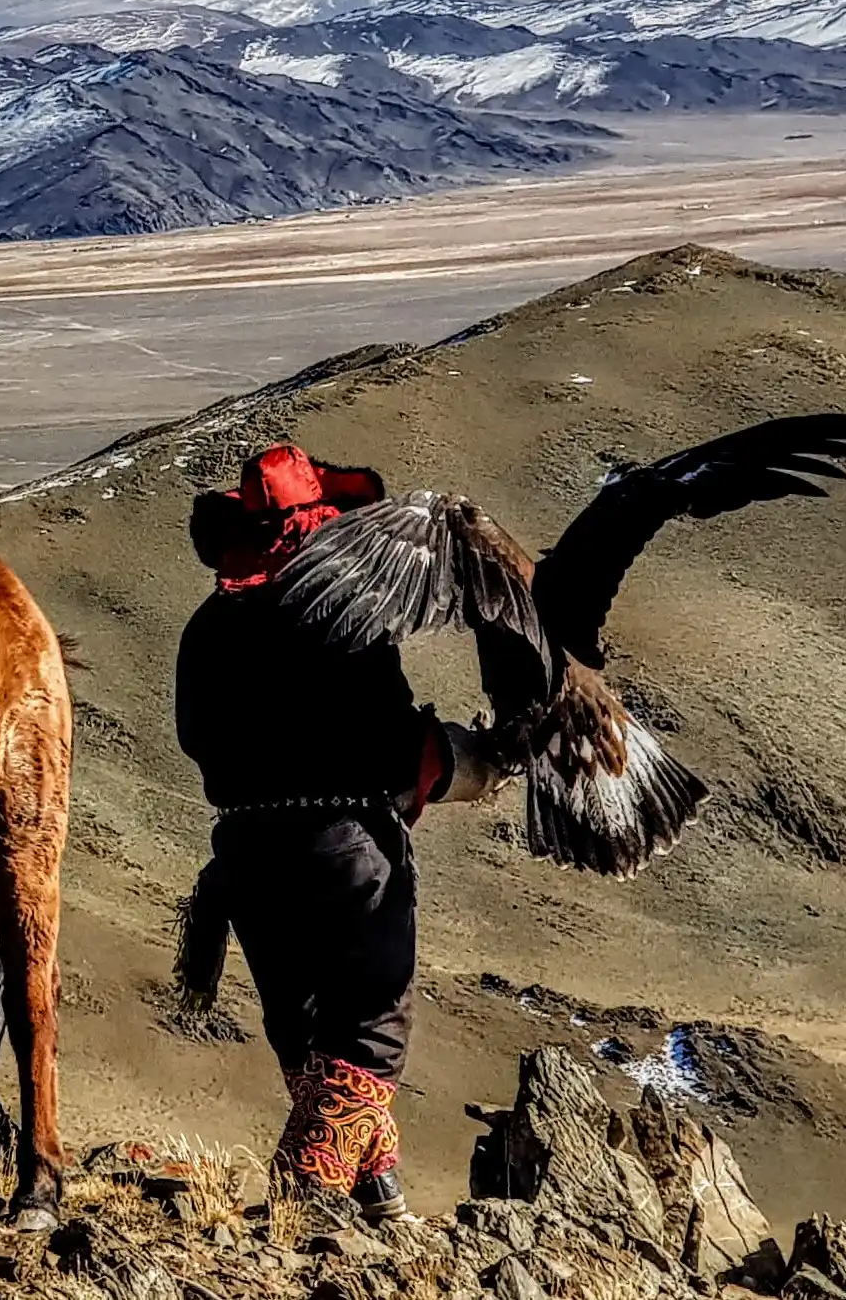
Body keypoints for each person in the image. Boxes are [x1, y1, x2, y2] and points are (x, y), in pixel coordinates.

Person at [171, 443, 500, 1226]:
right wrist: (457, 759)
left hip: (245, 862)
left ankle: (376, 1195)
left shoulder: (208, 626)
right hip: (343, 856)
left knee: (306, 1035)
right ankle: (304, 1200)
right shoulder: (346, 618)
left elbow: (194, 739)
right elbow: (391, 746)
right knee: (366, 1033)